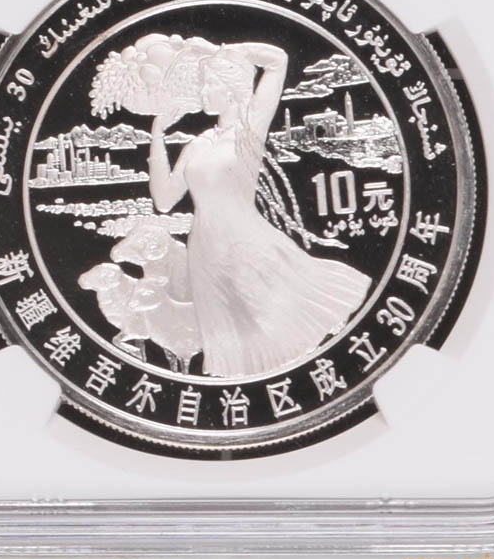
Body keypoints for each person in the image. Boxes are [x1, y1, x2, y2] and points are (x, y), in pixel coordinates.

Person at [147, 41, 372, 377]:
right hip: (206, 255)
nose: (202, 91)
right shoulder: (196, 145)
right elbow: (164, 200)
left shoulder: (249, 130)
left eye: (210, 84)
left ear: (231, 90)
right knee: (234, 344)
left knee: (272, 327)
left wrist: (226, 49)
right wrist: (156, 135)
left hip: (247, 246)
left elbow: (278, 59)